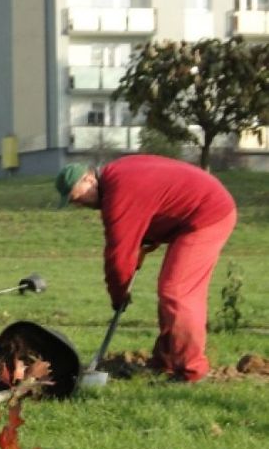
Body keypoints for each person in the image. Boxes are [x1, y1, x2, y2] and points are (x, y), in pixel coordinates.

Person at [55, 155, 237, 382]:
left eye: (78, 198)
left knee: (177, 292)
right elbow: (143, 216)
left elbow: (118, 253)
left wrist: (118, 294)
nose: (80, 205)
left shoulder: (118, 190)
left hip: (207, 214)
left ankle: (191, 371)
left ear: (89, 179)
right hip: (190, 214)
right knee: (170, 290)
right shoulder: (116, 178)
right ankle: (166, 361)